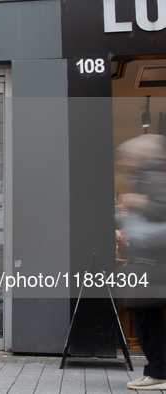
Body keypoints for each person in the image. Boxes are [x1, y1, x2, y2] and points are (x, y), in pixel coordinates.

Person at [117, 134, 166, 391]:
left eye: (126, 155)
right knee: (147, 316)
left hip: (153, 262)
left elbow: (161, 208)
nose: (123, 161)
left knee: (145, 316)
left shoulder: (152, 177)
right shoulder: (147, 177)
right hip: (149, 261)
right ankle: (157, 370)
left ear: (140, 157)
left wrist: (138, 201)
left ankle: (158, 372)